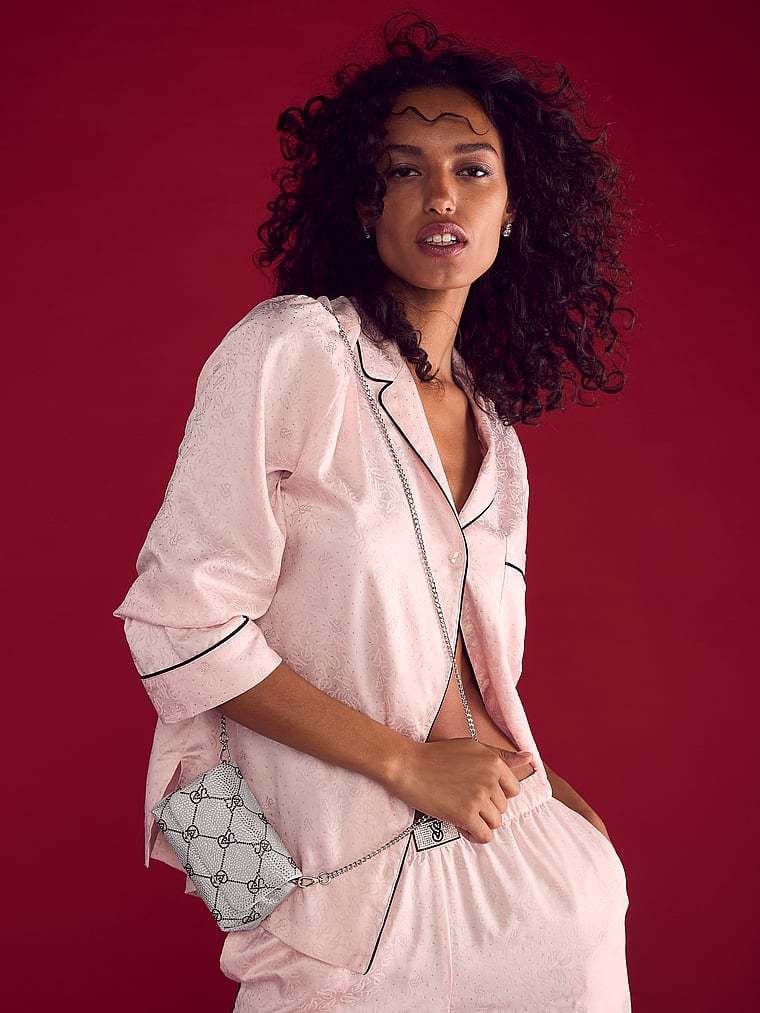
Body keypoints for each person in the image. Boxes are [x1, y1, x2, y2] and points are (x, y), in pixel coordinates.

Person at [112, 14, 636, 1012]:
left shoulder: (496, 433)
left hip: (535, 880)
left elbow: (466, 669)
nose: (441, 195)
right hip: (346, 905)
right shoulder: (294, 348)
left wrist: (551, 801)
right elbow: (178, 626)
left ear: (514, 208)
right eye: (403, 170)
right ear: (363, 204)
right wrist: (404, 767)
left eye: (472, 169)